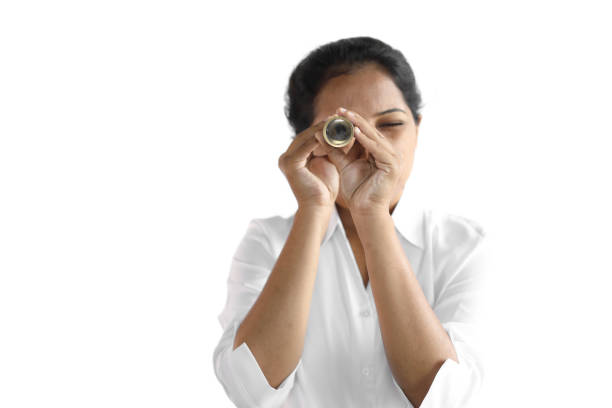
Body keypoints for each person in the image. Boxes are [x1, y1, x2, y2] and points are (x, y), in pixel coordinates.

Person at [212, 36, 486, 408]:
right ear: (306, 140)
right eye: (342, 131)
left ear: (417, 129)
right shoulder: (267, 241)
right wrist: (313, 207)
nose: (370, 147)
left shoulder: (464, 246)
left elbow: (443, 396)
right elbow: (249, 387)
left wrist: (371, 212)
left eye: (390, 125)